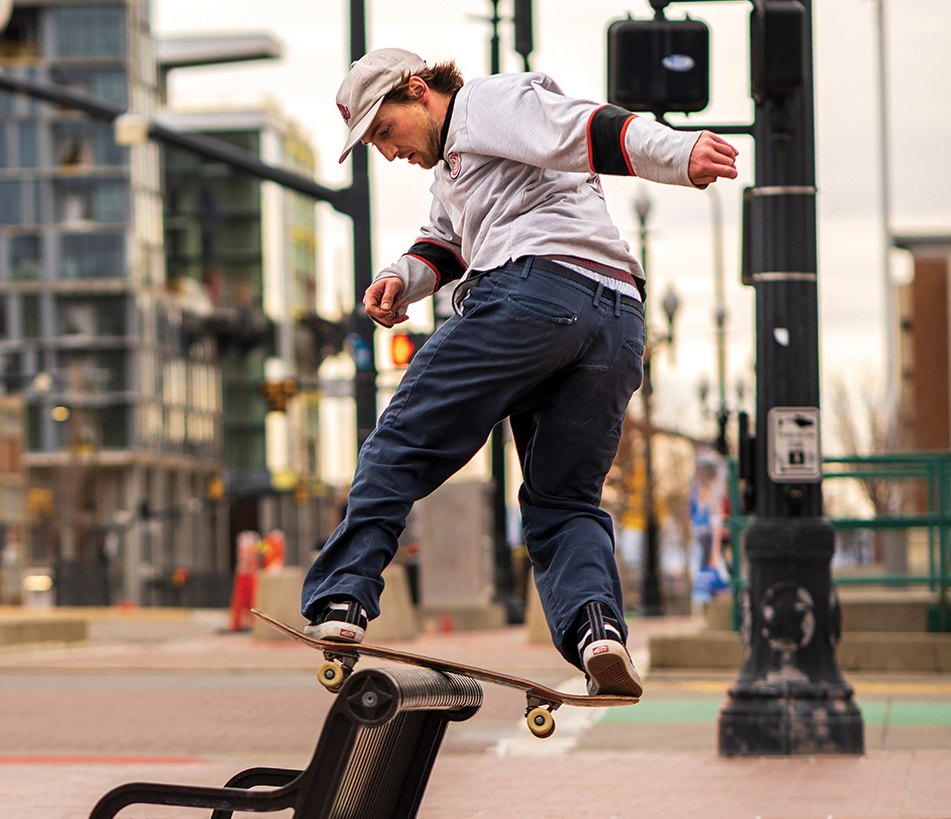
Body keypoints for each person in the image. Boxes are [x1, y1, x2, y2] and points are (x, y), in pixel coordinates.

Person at [300, 48, 738, 697]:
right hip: (615, 322)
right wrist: (401, 277)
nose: (387, 153)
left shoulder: (488, 103)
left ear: (418, 90)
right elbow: (444, 243)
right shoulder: (454, 166)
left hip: (535, 295)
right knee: (563, 500)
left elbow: (586, 128)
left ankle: (342, 598)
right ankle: (598, 631)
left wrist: (675, 153)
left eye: (385, 131)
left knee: (403, 436)